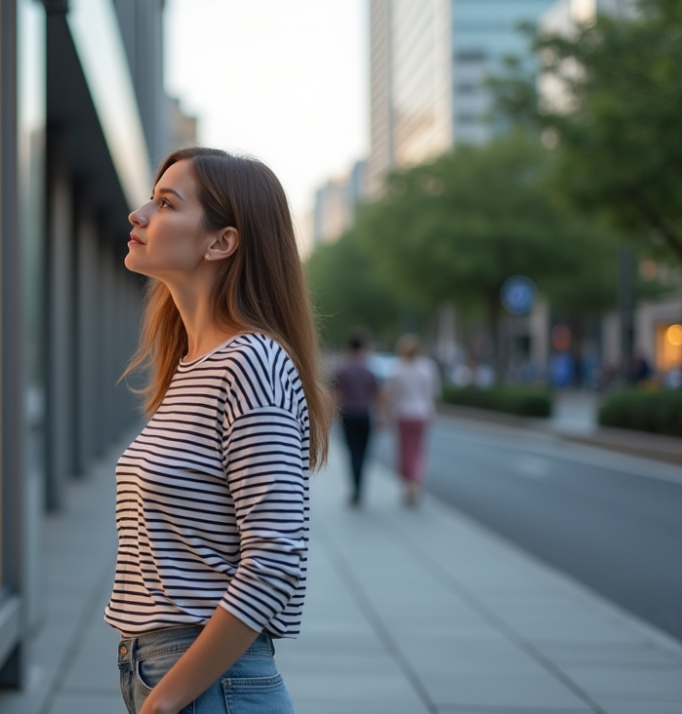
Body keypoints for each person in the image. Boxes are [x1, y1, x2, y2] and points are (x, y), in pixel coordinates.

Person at [106, 147, 334, 714]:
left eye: (164, 203)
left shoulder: (253, 362)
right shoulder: (191, 367)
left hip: (210, 685)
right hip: (161, 671)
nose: (138, 215)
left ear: (220, 242)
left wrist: (169, 698)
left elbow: (276, 555)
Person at [384, 334, 440, 506]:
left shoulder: (397, 368)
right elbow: (434, 393)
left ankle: (408, 482)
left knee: (404, 450)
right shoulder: (428, 367)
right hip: (422, 413)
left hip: (403, 413)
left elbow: (391, 395)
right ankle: (416, 482)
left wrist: (387, 414)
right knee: (418, 450)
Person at [334, 332, 378, 507]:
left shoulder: (342, 369)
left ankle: (355, 489)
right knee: (364, 452)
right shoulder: (369, 370)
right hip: (365, 414)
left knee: (353, 452)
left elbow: (336, 394)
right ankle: (360, 487)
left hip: (348, 415)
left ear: (349, 347)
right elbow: (376, 394)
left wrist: (328, 416)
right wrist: (383, 414)